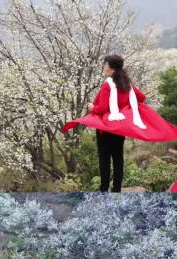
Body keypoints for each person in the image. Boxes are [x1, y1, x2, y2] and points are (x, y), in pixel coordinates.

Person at [64, 55, 177, 191]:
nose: (104, 67)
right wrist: (125, 106)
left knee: (104, 158)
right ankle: (116, 189)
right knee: (118, 158)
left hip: (106, 128)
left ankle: (104, 189)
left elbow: (103, 108)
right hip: (119, 128)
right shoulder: (126, 83)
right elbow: (141, 97)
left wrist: (92, 107)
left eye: (106, 65)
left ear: (111, 68)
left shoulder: (108, 84)